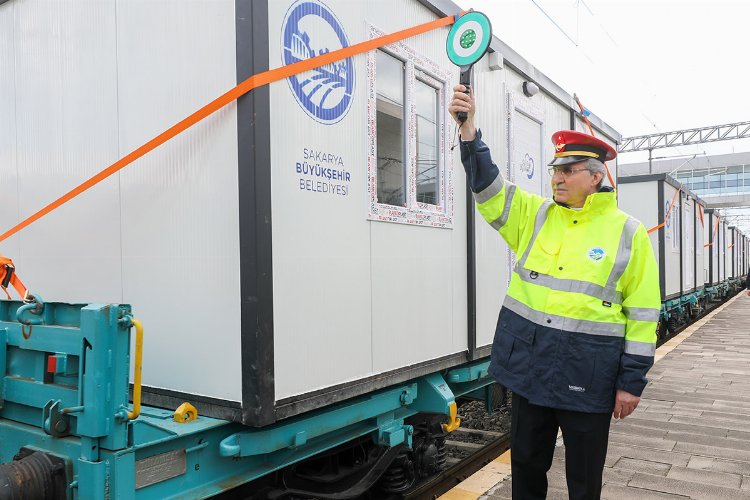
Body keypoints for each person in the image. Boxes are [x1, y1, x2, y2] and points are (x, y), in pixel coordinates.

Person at [449, 85, 660, 500]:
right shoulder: (536, 215)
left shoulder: (628, 233)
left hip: (588, 376)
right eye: (555, 169)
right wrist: (469, 130)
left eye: (569, 170)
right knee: (526, 467)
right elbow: (489, 189)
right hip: (531, 371)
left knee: (583, 481)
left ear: (596, 176)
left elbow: (643, 314)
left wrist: (631, 383)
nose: (557, 177)